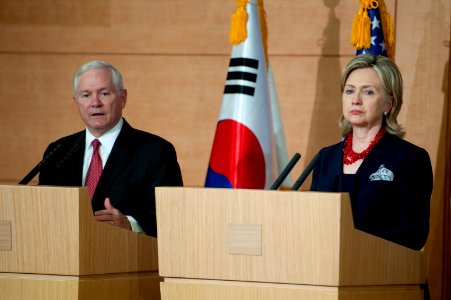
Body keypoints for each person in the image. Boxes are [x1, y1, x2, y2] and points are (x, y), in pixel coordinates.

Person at [38, 60, 183, 237]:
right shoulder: (58, 151)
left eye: (104, 93)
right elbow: (42, 212)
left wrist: (130, 224)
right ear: (76, 102)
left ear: (123, 98)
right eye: (86, 95)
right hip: (63, 258)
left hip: (127, 260)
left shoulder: (156, 152)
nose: (95, 103)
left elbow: (171, 216)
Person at [310, 54, 432, 250]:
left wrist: (351, 239)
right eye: (349, 91)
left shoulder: (409, 159)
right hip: (326, 272)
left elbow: (413, 235)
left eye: (368, 92)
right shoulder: (325, 157)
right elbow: (311, 223)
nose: (355, 100)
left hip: (383, 274)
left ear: (388, 104)